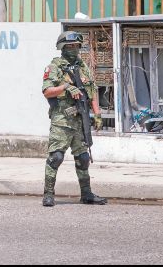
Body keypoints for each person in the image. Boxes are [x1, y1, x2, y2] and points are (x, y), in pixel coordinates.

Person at [41, 31, 107, 207]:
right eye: (70, 46)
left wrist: (97, 114)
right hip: (62, 120)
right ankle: (48, 194)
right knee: (56, 157)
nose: (74, 49)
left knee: (83, 158)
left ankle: (86, 194)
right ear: (62, 47)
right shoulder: (54, 67)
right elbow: (47, 91)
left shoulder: (82, 66)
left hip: (80, 119)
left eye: (76, 46)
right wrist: (66, 87)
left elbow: (92, 92)